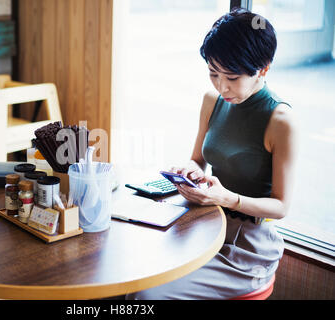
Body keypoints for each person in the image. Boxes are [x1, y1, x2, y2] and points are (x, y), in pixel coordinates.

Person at [127, 8, 297, 300]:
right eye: (213, 74)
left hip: (247, 249)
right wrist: (190, 171)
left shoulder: (280, 121)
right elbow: (198, 160)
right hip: (206, 225)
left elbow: (281, 207)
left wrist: (227, 198)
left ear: (264, 68)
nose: (222, 86)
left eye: (232, 77)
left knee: (146, 295)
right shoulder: (212, 100)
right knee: (129, 269)